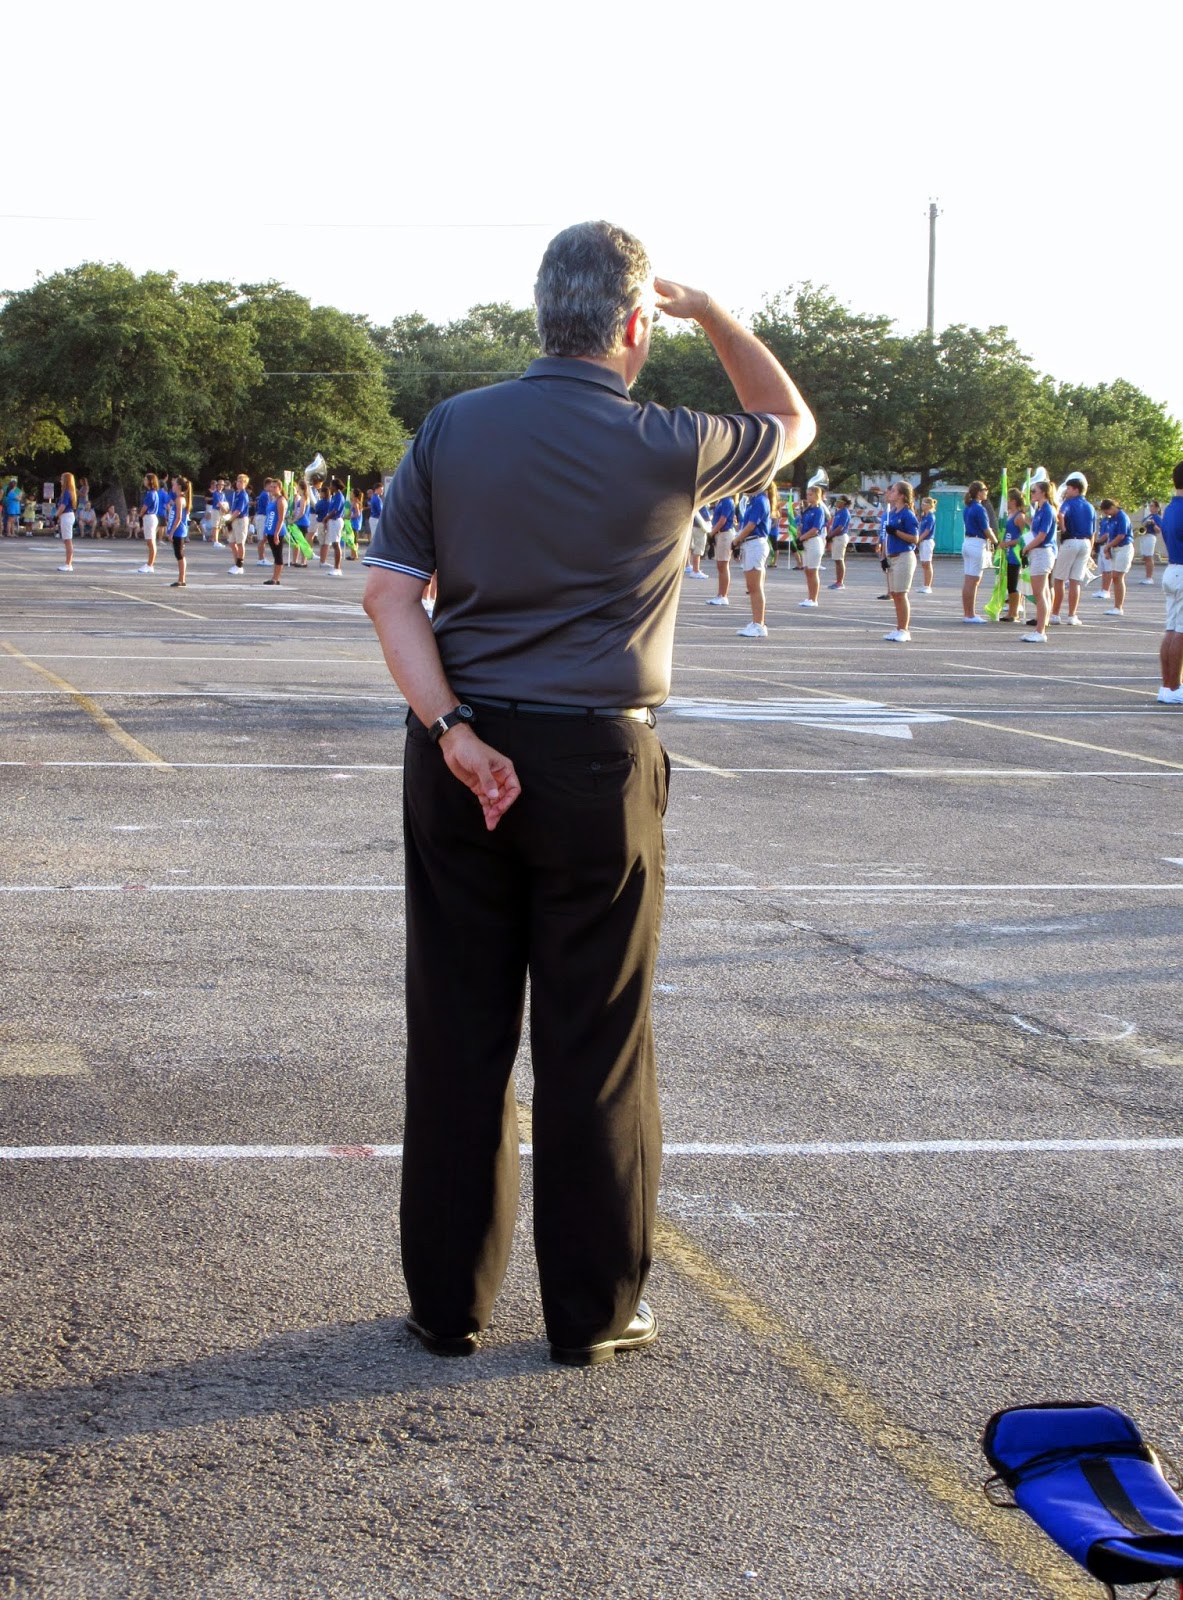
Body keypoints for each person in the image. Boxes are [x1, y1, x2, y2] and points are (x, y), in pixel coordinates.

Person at [361, 220, 814, 1365]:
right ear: (632, 325)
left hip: (460, 754)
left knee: (457, 1033)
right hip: (598, 764)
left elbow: (388, 595)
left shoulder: (454, 424)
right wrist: (713, 315)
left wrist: (454, 731)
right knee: (594, 1040)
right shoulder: (668, 440)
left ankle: (447, 1303)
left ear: (539, 313)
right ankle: (593, 1310)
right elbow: (791, 421)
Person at [1050, 472, 1095, 627]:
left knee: (1059, 579)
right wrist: (1091, 551)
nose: (1066, 491)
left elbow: (1060, 514)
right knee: (1075, 581)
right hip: (1085, 543)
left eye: (1069, 488)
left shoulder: (1069, 503)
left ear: (1076, 490)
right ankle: (1072, 615)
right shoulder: (1090, 506)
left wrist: (1063, 528)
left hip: (1070, 541)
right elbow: (1093, 532)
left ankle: (1055, 614)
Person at [1157, 462, 1183, 704]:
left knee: (1172, 630)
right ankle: (1174, 687)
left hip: (1173, 568)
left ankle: (1167, 686)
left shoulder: (1171, 508)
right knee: (1180, 633)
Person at [1022, 477, 1058, 642]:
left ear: (1043, 493)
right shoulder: (1040, 509)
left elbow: (1042, 536)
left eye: (1034, 491)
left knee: (1039, 594)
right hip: (1038, 553)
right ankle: (1040, 628)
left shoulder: (1047, 510)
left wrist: (1026, 547)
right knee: (1042, 592)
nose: (1031, 494)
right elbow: (1035, 529)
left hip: (1042, 553)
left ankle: (1040, 631)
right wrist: (1026, 519)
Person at [735, 481, 774, 637]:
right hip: (751, 544)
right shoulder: (753, 501)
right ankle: (757, 622)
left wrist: (736, 540)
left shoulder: (760, 500)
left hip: (755, 543)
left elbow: (751, 525)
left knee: (755, 587)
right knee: (753, 587)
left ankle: (759, 624)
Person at [882, 480, 919, 642]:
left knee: (901, 594)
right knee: (895, 594)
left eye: (894, 491)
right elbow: (886, 538)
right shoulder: (893, 513)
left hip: (904, 556)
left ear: (902, 495)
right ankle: (899, 628)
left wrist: (896, 532)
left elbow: (914, 538)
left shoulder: (907, 514)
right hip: (892, 556)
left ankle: (904, 630)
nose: (890, 493)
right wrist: (884, 557)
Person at [961, 481, 994, 622]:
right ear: (979, 492)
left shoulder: (968, 507)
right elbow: (986, 529)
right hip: (977, 543)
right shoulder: (979, 508)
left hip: (968, 542)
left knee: (969, 579)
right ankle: (971, 614)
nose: (986, 492)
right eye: (984, 489)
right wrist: (996, 541)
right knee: (974, 580)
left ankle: (967, 613)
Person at [1098, 498, 1133, 616]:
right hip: (1114, 548)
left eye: (1107, 510)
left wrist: (1108, 546)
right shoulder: (1111, 519)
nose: (1107, 514)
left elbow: (1121, 535)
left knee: (1118, 576)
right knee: (1115, 577)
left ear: (1113, 507)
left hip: (1124, 548)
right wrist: (1108, 549)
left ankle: (1118, 607)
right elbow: (1111, 535)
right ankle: (1116, 606)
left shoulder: (1122, 517)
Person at [999, 489, 1026, 622]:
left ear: (1013, 501)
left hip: (1015, 554)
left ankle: (1014, 613)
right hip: (1008, 554)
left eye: (1008, 500)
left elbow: (1024, 537)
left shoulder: (1019, 516)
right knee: (1009, 583)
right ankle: (1010, 611)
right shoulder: (1009, 515)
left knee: (1013, 583)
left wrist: (1008, 543)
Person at [797, 483, 825, 607]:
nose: (808, 497)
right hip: (805, 541)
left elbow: (815, 528)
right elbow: (802, 525)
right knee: (807, 570)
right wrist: (799, 534)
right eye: (807, 494)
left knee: (813, 570)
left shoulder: (819, 510)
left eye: (811, 495)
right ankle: (809, 597)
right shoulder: (807, 510)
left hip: (814, 541)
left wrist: (801, 538)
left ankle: (814, 599)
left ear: (817, 495)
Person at [707, 495, 737, 605]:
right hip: (719, 535)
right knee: (720, 565)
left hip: (725, 534)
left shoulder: (728, 501)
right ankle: (720, 594)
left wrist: (711, 533)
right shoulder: (721, 501)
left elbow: (722, 520)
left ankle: (723, 595)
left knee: (723, 565)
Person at [166, 476, 191, 586]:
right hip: (178, 530)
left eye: (175, 484)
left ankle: (182, 579)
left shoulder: (179, 499)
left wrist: (172, 532)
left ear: (179, 486)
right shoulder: (177, 499)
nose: (173, 485)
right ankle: (181, 578)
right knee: (178, 554)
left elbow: (179, 517)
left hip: (179, 531)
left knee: (179, 554)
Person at [262, 476, 288, 583]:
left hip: (277, 531)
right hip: (270, 530)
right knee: (274, 554)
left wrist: (276, 533)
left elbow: (281, 518)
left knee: (278, 555)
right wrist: (265, 531)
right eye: (271, 487)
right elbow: (269, 516)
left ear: (280, 488)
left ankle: (276, 578)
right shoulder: (272, 500)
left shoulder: (281, 500)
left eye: (274, 487)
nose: (272, 489)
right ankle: (274, 577)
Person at [826, 495, 852, 589]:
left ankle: (840, 582)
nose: (836, 503)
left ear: (844, 503)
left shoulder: (844, 512)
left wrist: (830, 535)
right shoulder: (838, 512)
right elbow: (833, 525)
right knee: (837, 560)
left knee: (839, 560)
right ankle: (838, 581)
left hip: (840, 537)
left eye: (839, 501)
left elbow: (840, 527)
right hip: (836, 537)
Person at [138, 473, 162, 572]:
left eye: (145, 479)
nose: (144, 481)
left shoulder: (151, 494)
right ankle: (150, 564)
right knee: (149, 542)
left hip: (149, 517)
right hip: (151, 518)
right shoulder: (153, 493)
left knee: (151, 542)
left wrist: (140, 515)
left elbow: (145, 507)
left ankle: (150, 565)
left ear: (150, 481)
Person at [227, 474, 250, 574]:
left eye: (241, 482)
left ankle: (239, 566)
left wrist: (229, 520)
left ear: (245, 484)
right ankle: (236, 563)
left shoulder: (243, 495)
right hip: (234, 519)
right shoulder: (236, 494)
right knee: (232, 542)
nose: (239, 483)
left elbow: (239, 510)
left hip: (240, 520)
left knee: (240, 543)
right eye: (238, 481)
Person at [57, 473, 77, 571]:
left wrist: (56, 515)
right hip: (67, 516)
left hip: (66, 516)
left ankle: (68, 564)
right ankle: (68, 563)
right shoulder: (69, 491)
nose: (60, 481)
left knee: (68, 541)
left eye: (62, 479)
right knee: (66, 540)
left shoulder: (66, 492)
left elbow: (63, 506)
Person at [1139, 501, 1162, 585]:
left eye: (1152, 506)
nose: (1150, 507)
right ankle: (1146, 577)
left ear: (1156, 508)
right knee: (1145, 557)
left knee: (1149, 557)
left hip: (1150, 536)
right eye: (1150, 506)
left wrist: (1153, 524)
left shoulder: (1157, 517)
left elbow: (1159, 530)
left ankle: (1149, 578)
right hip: (1144, 536)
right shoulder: (1148, 516)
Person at [916, 496, 936, 593]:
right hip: (923, 541)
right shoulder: (924, 516)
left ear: (930, 505)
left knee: (927, 563)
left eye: (925, 503)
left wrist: (918, 539)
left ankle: (928, 586)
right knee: (924, 564)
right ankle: (925, 585)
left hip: (927, 541)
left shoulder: (931, 517)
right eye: (922, 503)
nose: (922, 505)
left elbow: (927, 531)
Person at [685, 506, 711, 577]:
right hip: (700, 527)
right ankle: (695, 570)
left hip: (693, 526)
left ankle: (687, 565)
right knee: (698, 549)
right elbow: (706, 516)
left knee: (690, 546)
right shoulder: (702, 505)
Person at [253, 482, 271, 565]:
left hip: (262, 517)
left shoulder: (265, 494)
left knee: (264, 538)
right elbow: (267, 508)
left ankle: (262, 558)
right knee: (262, 538)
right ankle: (261, 559)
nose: (272, 488)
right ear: (266, 485)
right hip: (262, 517)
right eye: (270, 486)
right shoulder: (265, 495)